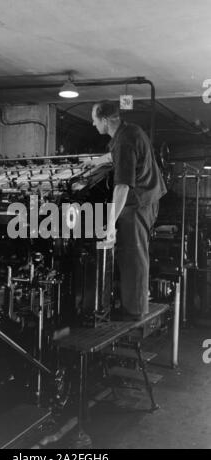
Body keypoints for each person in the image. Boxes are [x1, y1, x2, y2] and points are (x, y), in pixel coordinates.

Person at [90, 100, 167, 320]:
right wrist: (94, 162)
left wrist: (110, 225)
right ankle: (133, 304)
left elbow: (122, 186)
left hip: (137, 203)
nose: (93, 124)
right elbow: (116, 155)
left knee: (133, 255)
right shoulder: (130, 130)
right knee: (132, 253)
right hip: (146, 198)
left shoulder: (124, 141)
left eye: (95, 120)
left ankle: (134, 311)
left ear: (105, 120)